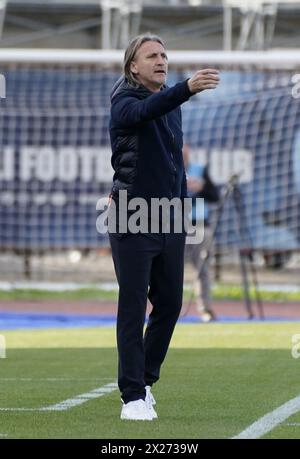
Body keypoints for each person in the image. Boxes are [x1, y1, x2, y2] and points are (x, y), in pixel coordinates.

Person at [108, 34, 220, 421]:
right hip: (131, 212)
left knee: (171, 302)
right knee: (133, 303)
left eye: (164, 54)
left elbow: (174, 161)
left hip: (170, 214)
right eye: (151, 55)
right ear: (133, 66)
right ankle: (132, 397)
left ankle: (145, 381)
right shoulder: (124, 99)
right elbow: (147, 111)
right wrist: (186, 89)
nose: (161, 60)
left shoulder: (172, 103)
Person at [183, 144, 220, 322]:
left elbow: (215, 196)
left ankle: (205, 308)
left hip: (199, 226)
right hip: (175, 226)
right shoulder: (167, 169)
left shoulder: (199, 171)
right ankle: (162, 309)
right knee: (165, 270)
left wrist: (201, 188)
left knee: (202, 270)